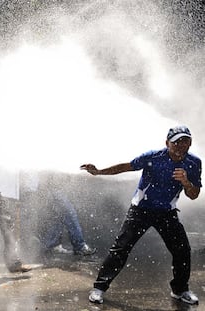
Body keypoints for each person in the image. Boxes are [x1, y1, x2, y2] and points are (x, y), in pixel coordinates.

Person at [81, 125, 201, 305]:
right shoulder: (153, 157)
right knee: (121, 249)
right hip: (141, 210)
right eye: (177, 143)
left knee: (182, 250)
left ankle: (180, 290)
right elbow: (126, 167)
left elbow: (194, 195)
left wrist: (185, 181)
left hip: (167, 213)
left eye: (186, 142)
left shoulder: (193, 163)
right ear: (167, 143)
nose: (181, 147)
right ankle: (99, 288)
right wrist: (98, 172)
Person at [21, 171, 95, 259]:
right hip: (47, 188)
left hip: (46, 188)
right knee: (69, 213)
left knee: (57, 217)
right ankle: (79, 246)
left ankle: (49, 245)